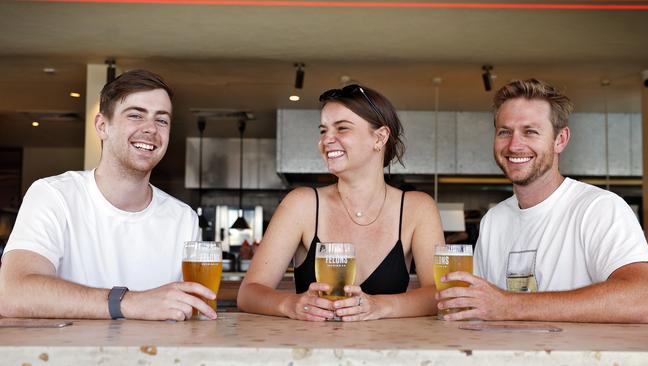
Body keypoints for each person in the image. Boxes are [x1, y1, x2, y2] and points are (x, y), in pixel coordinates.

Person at [0, 70, 216, 321]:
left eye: (162, 120)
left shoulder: (183, 218)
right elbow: (12, 293)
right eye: (136, 115)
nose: (150, 129)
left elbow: (190, 314)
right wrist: (131, 303)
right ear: (102, 126)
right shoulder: (53, 196)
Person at [435, 79, 648, 323]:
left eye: (530, 132)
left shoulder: (599, 208)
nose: (515, 145)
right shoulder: (493, 221)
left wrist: (510, 306)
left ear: (560, 139)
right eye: (504, 132)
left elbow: (643, 297)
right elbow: (482, 309)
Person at [238, 84, 444, 321]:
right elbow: (249, 293)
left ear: (380, 137)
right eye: (323, 131)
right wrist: (290, 304)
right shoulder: (302, 204)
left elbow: (438, 295)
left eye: (342, 128)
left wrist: (379, 306)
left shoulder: (417, 208)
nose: (327, 140)